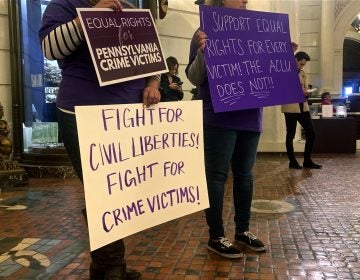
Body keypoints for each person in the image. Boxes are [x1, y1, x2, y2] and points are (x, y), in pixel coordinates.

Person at [39, 1, 161, 279]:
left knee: (119, 190)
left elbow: (152, 58)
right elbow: (50, 48)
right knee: (101, 191)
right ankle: (113, 266)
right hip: (82, 113)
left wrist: (153, 84)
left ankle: (105, 266)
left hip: (128, 114)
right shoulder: (65, 5)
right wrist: (89, 19)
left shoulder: (130, 9)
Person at [186, 0, 266, 259]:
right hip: (219, 117)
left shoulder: (259, 30)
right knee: (217, 176)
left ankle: (242, 231)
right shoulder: (204, 31)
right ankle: (216, 235)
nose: (245, 0)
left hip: (251, 115)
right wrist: (203, 51)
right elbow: (194, 78)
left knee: (245, 175)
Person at [281, 51, 322, 169]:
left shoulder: (303, 73)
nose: (302, 66)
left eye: (304, 64)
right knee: (291, 135)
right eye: (301, 64)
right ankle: (292, 161)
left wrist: (307, 93)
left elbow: (304, 88)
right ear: (295, 60)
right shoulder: (286, 71)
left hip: (302, 106)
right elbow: (283, 88)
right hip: (290, 107)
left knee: (311, 132)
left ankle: (307, 160)